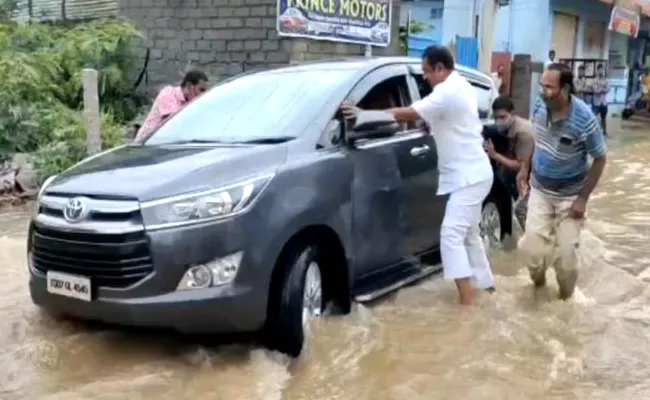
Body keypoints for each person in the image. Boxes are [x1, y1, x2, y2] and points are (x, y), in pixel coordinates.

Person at [341, 46, 495, 305]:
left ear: (440, 69)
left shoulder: (448, 90)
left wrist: (364, 115)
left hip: (470, 176)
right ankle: (486, 289)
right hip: (471, 174)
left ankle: (467, 303)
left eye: (426, 71)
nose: (424, 77)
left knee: (450, 235)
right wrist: (431, 124)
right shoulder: (460, 86)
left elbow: (411, 112)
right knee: (469, 235)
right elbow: (442, 117)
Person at [517, 63, 607, 300]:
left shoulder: (584, 119)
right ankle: (538, 289)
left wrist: (583, 199)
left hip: (570, 197)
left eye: (548, 87)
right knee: (532, 252)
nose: (542, 91)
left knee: (566, 260)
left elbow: (600, 158)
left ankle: (566, 303)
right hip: (540, 191)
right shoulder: (539, 105)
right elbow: (535, 137)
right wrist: (524, 168)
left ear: (565, 89)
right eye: (542, 85)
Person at [484, 96, 534, 230]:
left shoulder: (523, 133)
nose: (498, 121)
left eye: (502, 117)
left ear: (512, 115)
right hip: (522, 173)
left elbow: (521, 166)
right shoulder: (505, 129)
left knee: (523, 211)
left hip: (537, 174)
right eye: (496, 118)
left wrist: (495, 155)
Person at [135, 70, 208, 141]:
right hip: (146, 143)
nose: (203, 94)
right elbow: (173, 123)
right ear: (189, 86)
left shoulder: (191, 103)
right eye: (201, 90)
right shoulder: (168, 93)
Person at [592, 63, 609, 136]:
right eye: (600, 70)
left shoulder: (606, 80)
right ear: (597, 71)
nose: (601, 71)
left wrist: (601, 89)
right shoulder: (595, 80)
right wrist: (603, 89)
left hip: (604, 102)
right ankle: (593, 132)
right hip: (596, 102)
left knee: (603, 118)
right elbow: (596, 90)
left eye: (602, 70)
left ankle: (604, 132)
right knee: (593, 118)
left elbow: (608, 89)